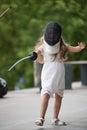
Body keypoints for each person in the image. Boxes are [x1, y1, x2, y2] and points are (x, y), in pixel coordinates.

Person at [33, 21, 85, 126]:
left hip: (60, 76)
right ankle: (40, 118)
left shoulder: (63, 46)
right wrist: (33, 55)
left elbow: (73, 49)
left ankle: (55, 119)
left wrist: (79, 48)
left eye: (54, 33)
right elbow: (36, 53)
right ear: (47, 34)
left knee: (58, 96)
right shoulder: (43, 47)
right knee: (46, 94)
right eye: (50, 33)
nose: (52, 35)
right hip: (48, 75)